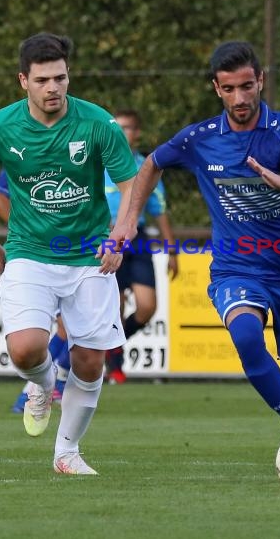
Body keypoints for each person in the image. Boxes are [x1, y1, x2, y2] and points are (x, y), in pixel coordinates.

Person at [112, 41, 280, 480]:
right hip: (237, 267)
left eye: (247, 86)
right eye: (229, 89)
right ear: (217, 88)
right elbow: (151, 164)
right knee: (246, 335)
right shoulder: (201, 138)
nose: (240, 98)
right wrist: (129, 222)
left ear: (260, 81)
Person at [0, 32, 137, 475]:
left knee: (90, 358)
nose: (53, 88)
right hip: (28, 251)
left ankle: (67, 453)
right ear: (23, 79)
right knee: (25, 349)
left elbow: (130, 184)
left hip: (88, 256)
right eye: (42, 79)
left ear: (68, 76)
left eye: (60, 77)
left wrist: (120, 233)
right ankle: (42, 385)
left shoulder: (98, 123)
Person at [104, 110, 179, 383]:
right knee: (115, 306)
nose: (124, 133)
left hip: (137, 242)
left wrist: (172, 251)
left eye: (129, 128)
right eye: (119, 127)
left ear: (137, 133)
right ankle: (115, 367)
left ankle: (113, 346)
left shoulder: (146, 168)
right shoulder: (98, 163)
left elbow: (160, 212)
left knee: (147, 307)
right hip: (105, 240)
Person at [0, 170, 72, 411]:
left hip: (77, 252)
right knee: (36, 340)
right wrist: (27, 230)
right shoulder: (28, 150)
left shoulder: (86, 147)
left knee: (72, 330)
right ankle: (39, 388)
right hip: (37, 258)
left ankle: (43, 387)